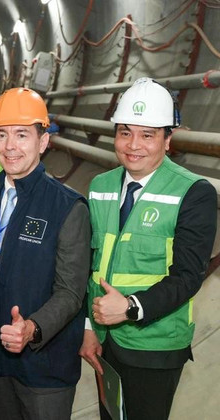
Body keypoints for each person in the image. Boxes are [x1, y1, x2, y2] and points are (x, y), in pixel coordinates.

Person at [79, 77, 217, 420]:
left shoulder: (193, 193)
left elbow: (188, 276)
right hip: (105, 340)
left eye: (148, 135)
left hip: (155, 346)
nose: (133, 145)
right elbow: (90, 264)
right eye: (125, 132)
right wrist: (88, 327)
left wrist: (129, 307)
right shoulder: (100, 186)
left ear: (168, 140)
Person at [0, 88, 90, 420]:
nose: (10, 146)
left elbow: (71, 292)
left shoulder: (67, 206)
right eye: (2, 135)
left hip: (45, 369)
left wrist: (32, 328)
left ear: (43, 142)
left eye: (21, 135)